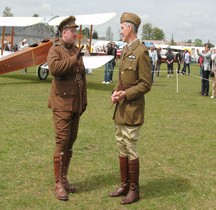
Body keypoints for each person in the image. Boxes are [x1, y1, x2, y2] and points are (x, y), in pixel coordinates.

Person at [110, 12, 152, 205]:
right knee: (121, 144)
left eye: (121, 28)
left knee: (131, 146)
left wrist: (125, 94)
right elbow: (121, 80)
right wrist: (115, 92)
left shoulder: (141, 51)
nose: (120, 31)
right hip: (120, 107)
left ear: (129, 28)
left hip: (133, 107)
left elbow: (145, 84)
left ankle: (134, 190)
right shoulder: (126, 50)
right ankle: (124, 184)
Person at [47, 16, 87, 201]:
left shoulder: (75, 50)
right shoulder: (55, 50)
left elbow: (81, 76)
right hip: (62, 104)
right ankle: (58, 184)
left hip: (75, 104)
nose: (75, 33)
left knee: (71, 142)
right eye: (73, 31)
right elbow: (55, 69)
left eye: (75, 30)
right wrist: (74, 58)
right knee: (62, 142)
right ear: (64, 33)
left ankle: (64, 179)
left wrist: (84, 100)